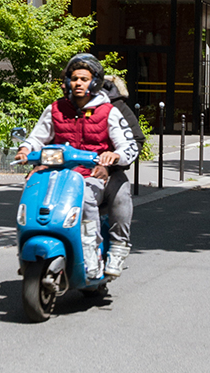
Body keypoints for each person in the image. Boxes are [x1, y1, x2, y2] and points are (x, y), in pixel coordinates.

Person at [14, 54, 138, 281]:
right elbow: (36, 138)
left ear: (94, 82)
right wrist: (24, 149)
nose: (78, 83)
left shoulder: (108, 111)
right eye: (74, 78)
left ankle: (93, 251)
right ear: (67, 82)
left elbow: (129, 145)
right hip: (59, 173)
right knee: (31, 192)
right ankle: (26, 251)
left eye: (83, 78)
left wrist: (114, 156)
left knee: (86, 198)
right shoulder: (55, 109)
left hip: (93, 174)